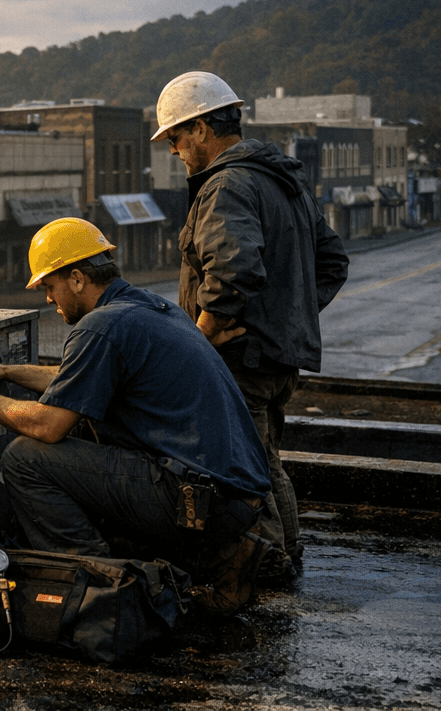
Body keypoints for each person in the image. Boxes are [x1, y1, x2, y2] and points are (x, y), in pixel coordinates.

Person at [0, 217, 274, 613]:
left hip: (201, 502)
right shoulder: (149, 307)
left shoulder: (101, 326)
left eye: (49, 286)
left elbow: (47, 426)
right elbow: (79, 378)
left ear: (77, 278)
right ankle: (212, 561)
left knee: (25, 459)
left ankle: (102, 588)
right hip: (233, 501)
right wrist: (7, 372)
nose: (48, 298)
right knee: (90, 438)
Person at [151, 71, 350, 580]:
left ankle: (270, 567)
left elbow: (232, 269)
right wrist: (283, 320)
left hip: (243, 359)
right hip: (276, 357)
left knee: (242, 469)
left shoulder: (226, 184)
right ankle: (288, 556)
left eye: (174, 137)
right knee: (266, 459)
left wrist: (203, 335)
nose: (173, 150)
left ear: (200, 128)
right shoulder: (282, 179)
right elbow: (331, 262)